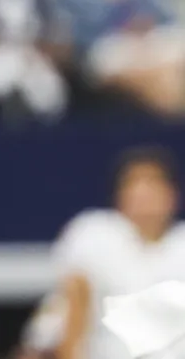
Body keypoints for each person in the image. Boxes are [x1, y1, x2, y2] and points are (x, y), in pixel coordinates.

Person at [52, 146, 185, 359]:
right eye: (134, 183)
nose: (144, 192)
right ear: (119, 194)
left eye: (153, 183)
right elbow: (72, 315)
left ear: (173, 194)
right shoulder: (93, 233)